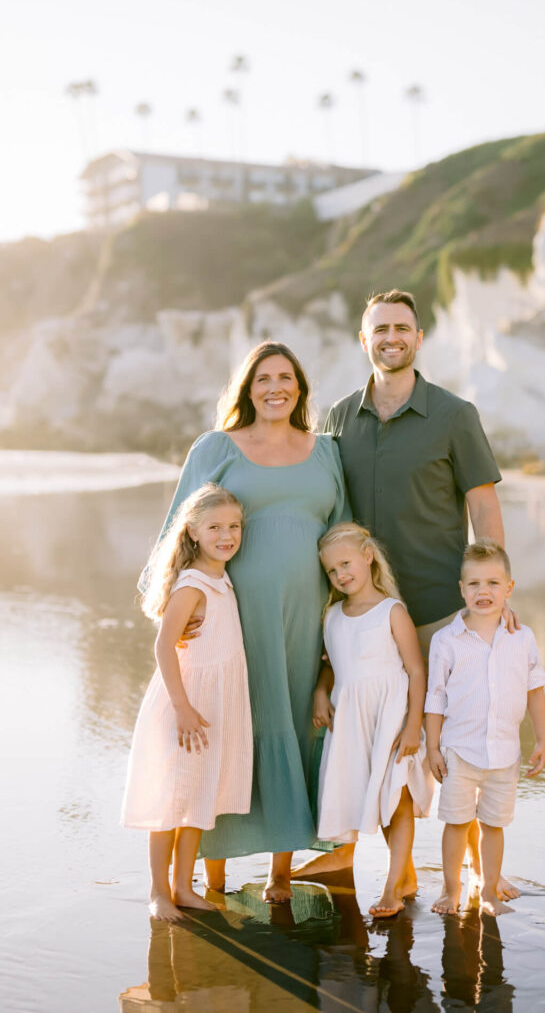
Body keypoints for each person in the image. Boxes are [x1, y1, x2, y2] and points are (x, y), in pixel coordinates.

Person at [295, 289, 518, 898]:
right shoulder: (338, 417)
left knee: (443, 738)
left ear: (418, 338)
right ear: (363, 341)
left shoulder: (454, 414)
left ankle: (468, 865)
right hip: (361, 610)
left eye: (402, 327)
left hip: (436, 607)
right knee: (359, 727)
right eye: (379, 329)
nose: (391, 337)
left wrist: (494, 589)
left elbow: (482, 503)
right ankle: (357, 858)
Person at [146, 341, 348, 902]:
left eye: (286, 377)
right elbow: (178, 527)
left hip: (304, 619)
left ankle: (280, 872)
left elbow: (343, 537)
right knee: (224, 728)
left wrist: (350, 622)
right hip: (228, 618)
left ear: (301, 388)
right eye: (263, 378)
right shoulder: (217, 447)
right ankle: (207, 877)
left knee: (289, 722)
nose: (275, 387)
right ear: (247, 388)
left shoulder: (326, 451)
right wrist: (169, 607)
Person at [122, 485, 252, 922]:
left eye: (234, 526)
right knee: (171, 800)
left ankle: (183, 885)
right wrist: (182, 707)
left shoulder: (223, 577)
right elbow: (163, 647)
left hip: (212, 706)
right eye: (215, 527)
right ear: (193, 531)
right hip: (184, 705)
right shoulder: (193, 583)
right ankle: (159, 891)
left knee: (198, 795)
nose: (227, 535)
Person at [313, 523, 433, 917]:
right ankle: (408, 876)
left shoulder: (391, 611)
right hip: (352, 721)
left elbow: (416, 671)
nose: (340, 574)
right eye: (332, 570)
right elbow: (333, 665)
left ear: (368, 556)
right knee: (373, 798)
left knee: (395, 801)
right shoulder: (332, 615)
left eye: (346, 563)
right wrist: (319, 691)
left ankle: (392, 888)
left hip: (391, 715)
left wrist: (413, 724)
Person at [425, 539, 545, 916]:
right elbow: (435, 698)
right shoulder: (446, 640)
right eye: (474, 584)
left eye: (494, 583)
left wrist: (543, 738)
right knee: (456, 823)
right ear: (461, 589)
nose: (484, 592)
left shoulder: (522, 638)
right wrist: (432, 747)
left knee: (494, 825)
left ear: (509, 589)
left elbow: (535, 690)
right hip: (459, 751)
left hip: (503, 753)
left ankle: (490, 890)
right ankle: (452, 889)